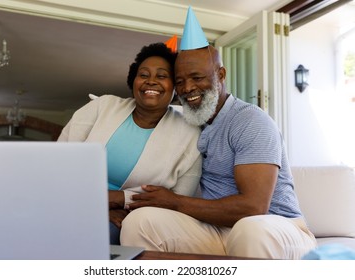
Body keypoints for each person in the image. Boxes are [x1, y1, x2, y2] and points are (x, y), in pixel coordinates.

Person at [119, 7, 317, 259]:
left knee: (250, 229)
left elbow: (254, 207)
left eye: (197, 77)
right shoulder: (188, 122)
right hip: (218, 231)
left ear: (220, 75)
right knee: (140, 221)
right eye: (180, 81)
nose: (188, 88)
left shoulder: (250, 120)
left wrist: (175, 202)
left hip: (277, 228)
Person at [58, 42, 202, 245]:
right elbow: (59, 163)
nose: (151, 81)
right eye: (144, 75)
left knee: (98, 236)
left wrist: (120, 200)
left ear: (176, 86)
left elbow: (177, 201)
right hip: (71, 202)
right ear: (133, 80)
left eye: (161, 76)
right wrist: (98, 206)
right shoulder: (103, 107)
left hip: (133, 220)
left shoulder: (190, 135)